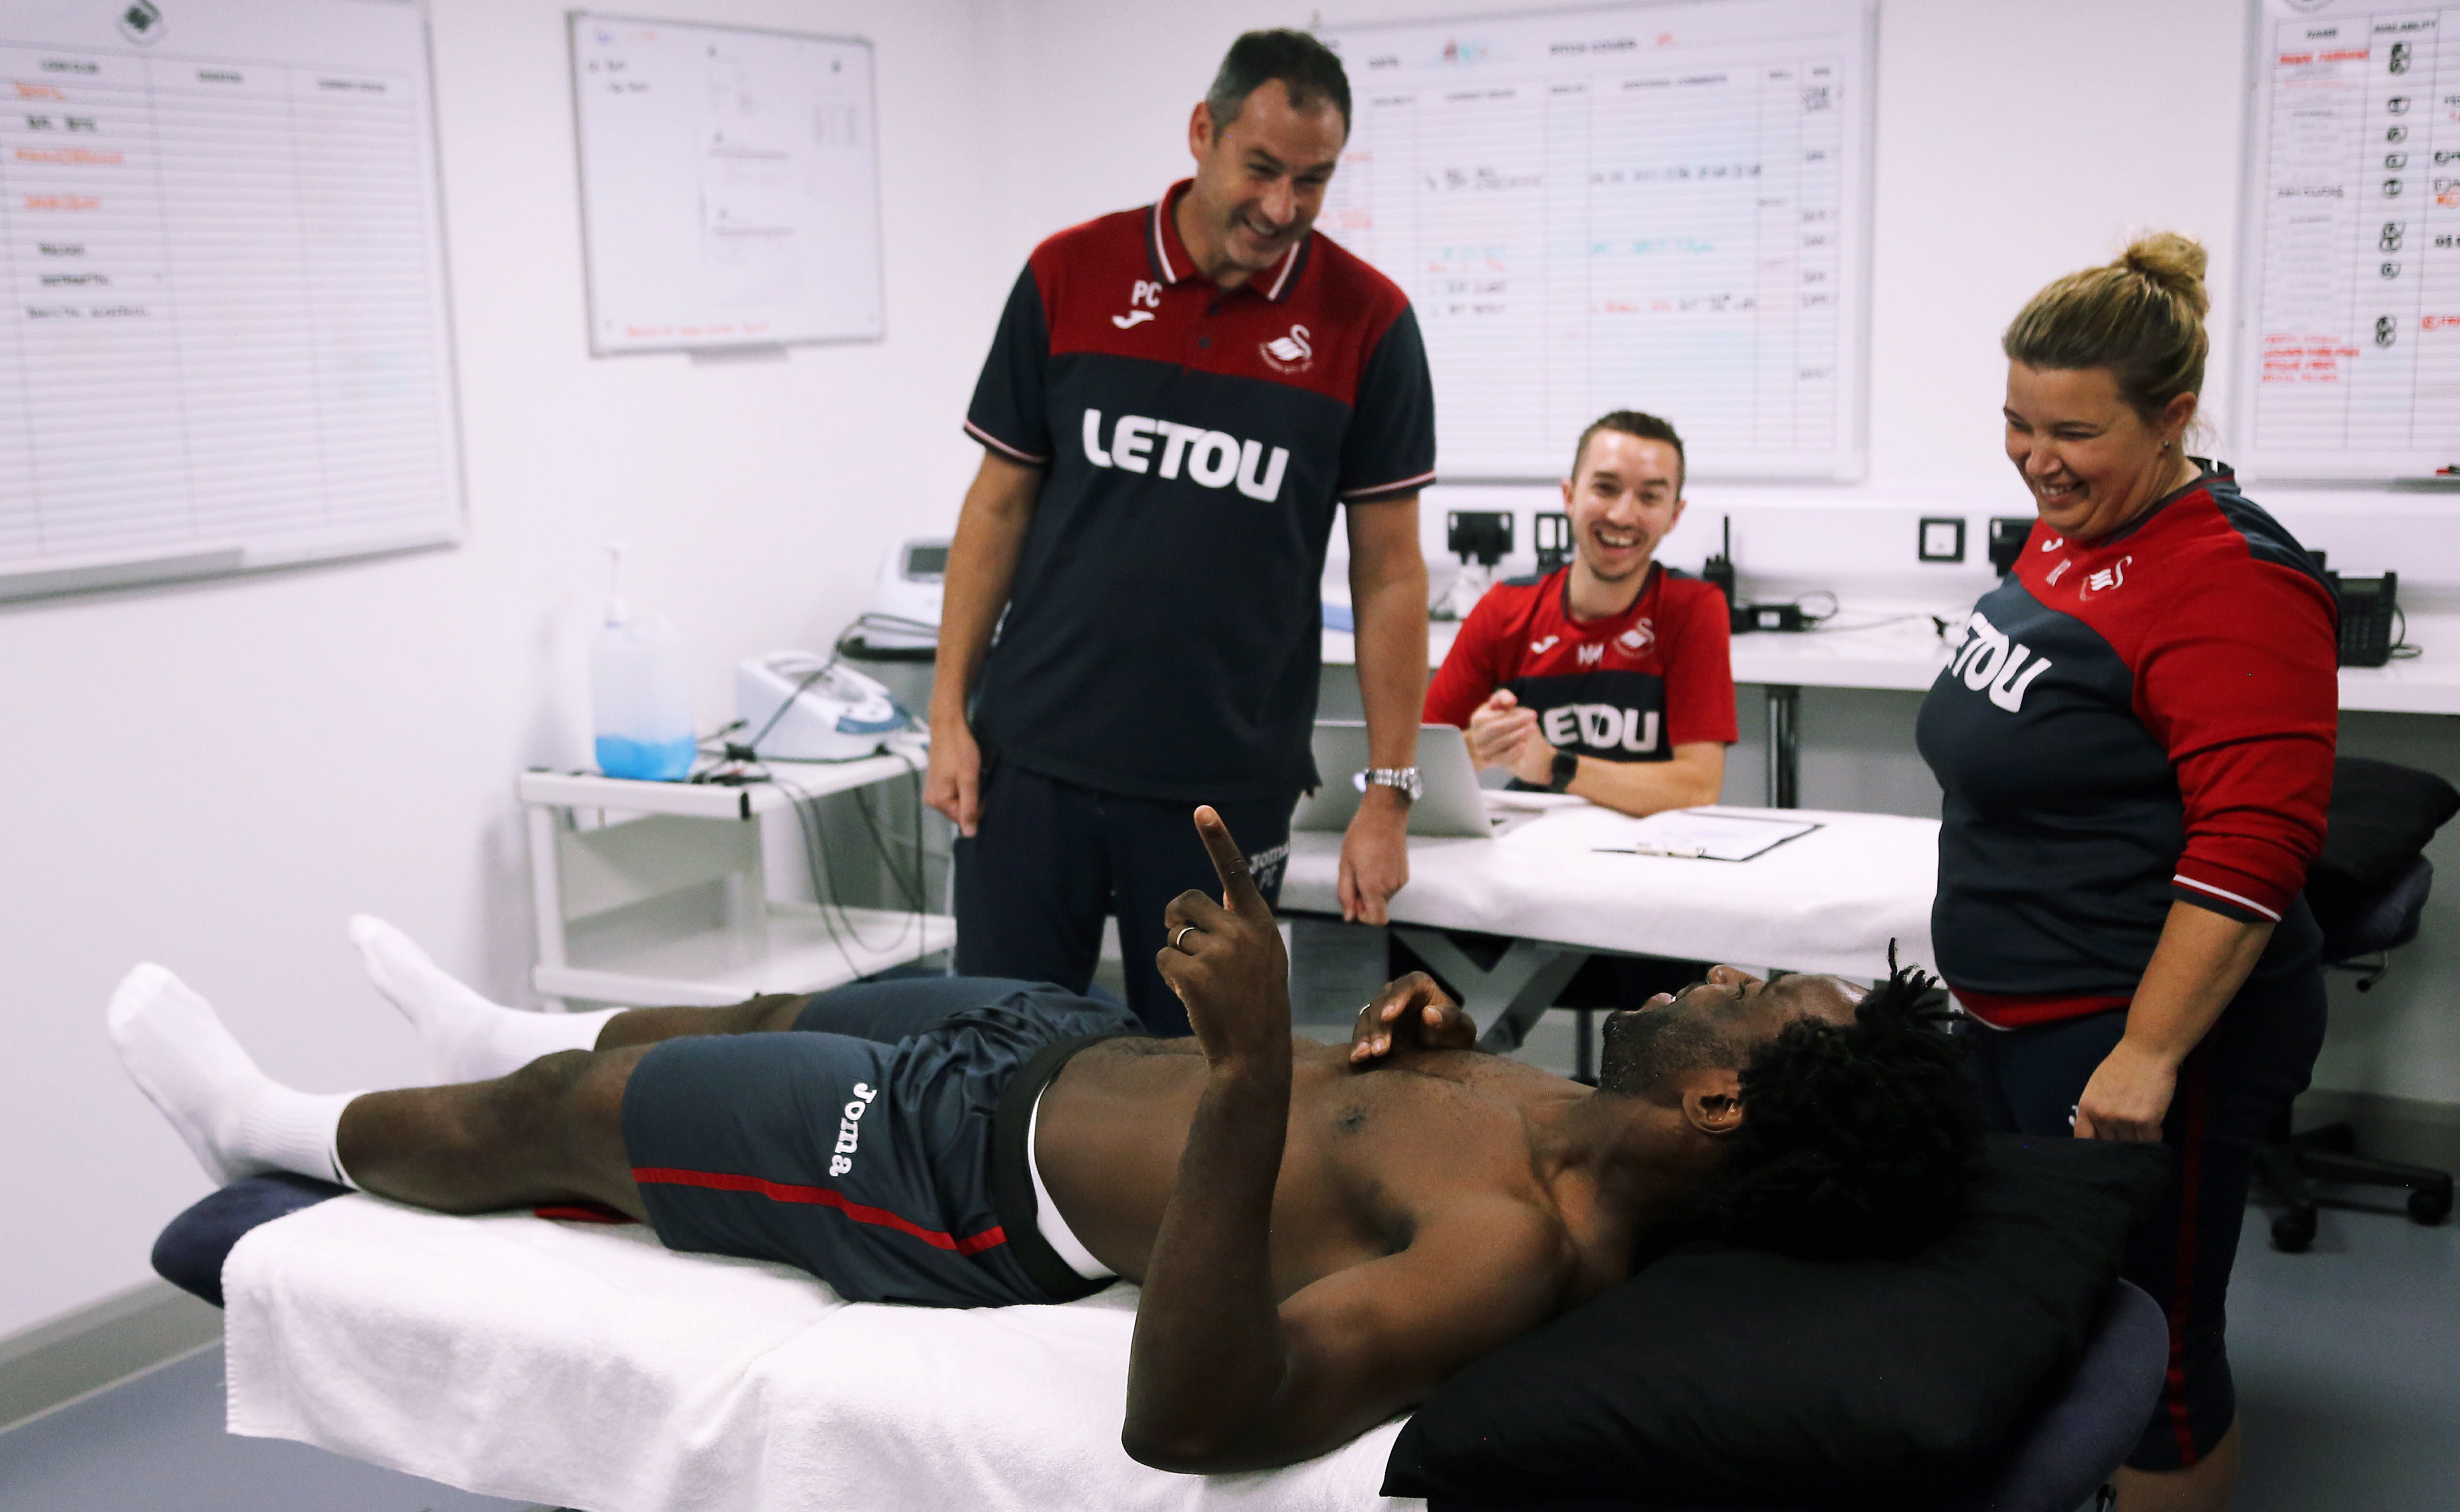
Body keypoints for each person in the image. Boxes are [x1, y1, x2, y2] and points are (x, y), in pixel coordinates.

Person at [112, 814, 1983, 1475]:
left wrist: (1256, 1071)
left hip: (952, 1179)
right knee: (758, 1018)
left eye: (1764, 1002)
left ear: (1723, 1104)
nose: (1733, 975)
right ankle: (497, 1034)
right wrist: (1392, 1043)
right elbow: (1368, 1135)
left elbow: (1193, 1415)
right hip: (1052, 1046)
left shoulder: (1522, 1254)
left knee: (585, 1125)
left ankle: (271, 1131)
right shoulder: (1566, 1113)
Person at [1915, 234, 2337, 1512]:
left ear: (2168, 419)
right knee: (2047, 1303)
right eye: (2013, 422)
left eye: (2072, 432)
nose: (2035, 458)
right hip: (2021, 1003)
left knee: (2152, 1345)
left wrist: (2149, 1052)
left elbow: (2251, 844)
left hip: (2141, 1025)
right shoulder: (2071, 531)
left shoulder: (2232, 580)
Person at [927, 29, 1435, 1035]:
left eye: (1312, 181)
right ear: (1202, 132)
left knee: (1204, 1083)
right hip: (1033, 764)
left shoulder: (1368, 323)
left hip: (1220, 790)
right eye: (1260, 169)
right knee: (994, 1057)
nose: (1281, 208)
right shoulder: (1067, 274)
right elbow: (997, 505)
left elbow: (1388, 575)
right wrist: (950, 712)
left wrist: (1388, 796)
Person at [1424, 411, 1734, 815]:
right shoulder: (1505, 608)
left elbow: (1698, 786)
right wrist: (1479, 748)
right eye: (1605, 489)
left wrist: (1554, 765)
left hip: (1645, 853)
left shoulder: (1693, 607)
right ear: (1569, 497)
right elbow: (1416, 764)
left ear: (1675, 515)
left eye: (1650, 497)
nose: (1623, 515)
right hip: (1531, 851)